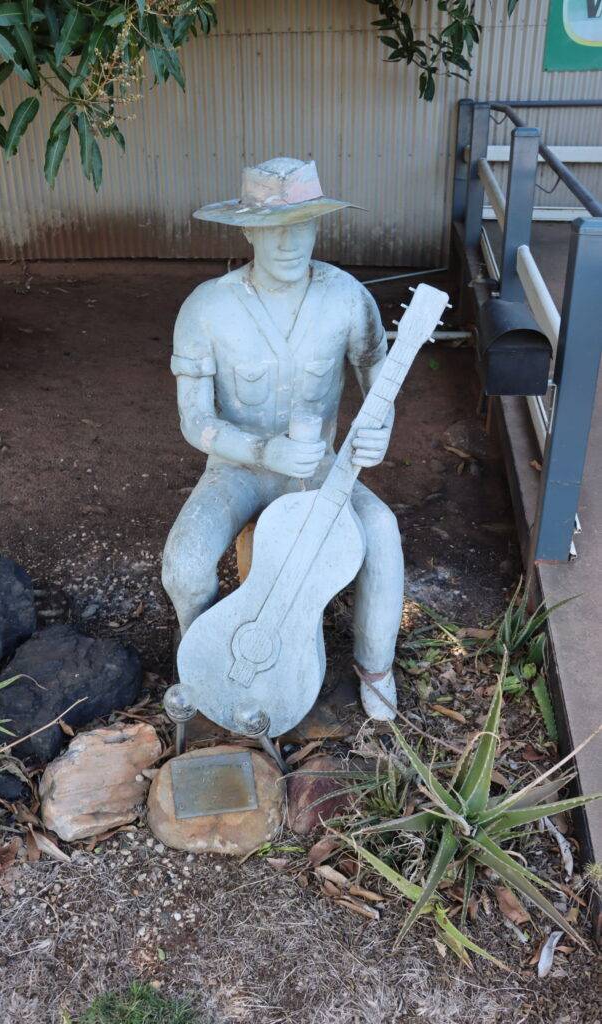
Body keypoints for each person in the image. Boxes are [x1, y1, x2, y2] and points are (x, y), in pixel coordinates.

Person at [161, 157, 404, 720]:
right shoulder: (207, 307)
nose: (289, 242)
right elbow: (193, 421)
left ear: (319, 226)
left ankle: (376, 667)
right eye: (273, 229)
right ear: (248, 230)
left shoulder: (346, 298)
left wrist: (377, 435)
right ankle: (207, 665)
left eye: (303, 225)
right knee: (185, 565)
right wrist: (262, 452)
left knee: (382, 535)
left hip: (320, 471)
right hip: (236, 471)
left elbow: (379, 382)